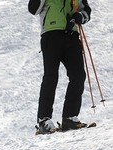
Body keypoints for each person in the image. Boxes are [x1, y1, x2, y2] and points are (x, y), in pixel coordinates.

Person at [28, 0, 92, 134]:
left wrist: (80, 17)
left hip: (71, 35)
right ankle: (43, 120)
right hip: (51, 34)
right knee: (51, 76)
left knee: (78, 75)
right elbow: (33, 9)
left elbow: (86, 10)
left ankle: (69, 117)